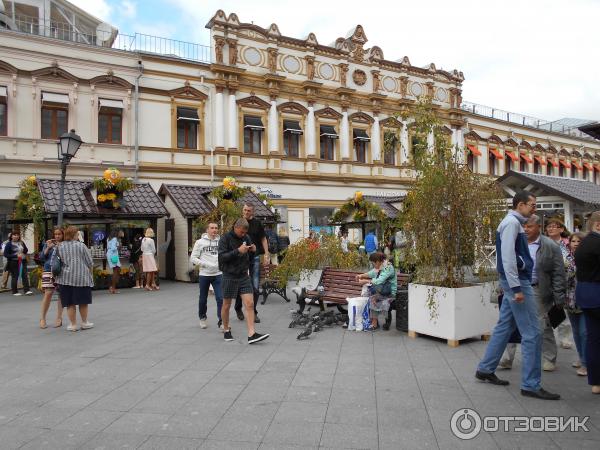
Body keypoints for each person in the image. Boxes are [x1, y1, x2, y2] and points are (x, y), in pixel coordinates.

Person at [475, 190, 560, 400]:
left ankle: (485, 368)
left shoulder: (512, 222)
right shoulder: (512, 224)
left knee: (505, 327)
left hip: (515, 282)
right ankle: (530, 384)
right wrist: (516, 288)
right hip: (518, 283)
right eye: (532, 204)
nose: (535, 208)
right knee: (533, 332)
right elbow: (507, 259)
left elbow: (508, 258)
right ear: (520, 204)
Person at [498, 214, 566, 372]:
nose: (526, 229)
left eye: (529, 226)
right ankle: (508, 358)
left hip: (538, 289)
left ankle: (549, 357)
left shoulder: (549, 245)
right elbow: (504, 263)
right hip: (515, 286)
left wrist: (558, 297)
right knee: (509, 322)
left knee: (542, 324)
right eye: (524, 227)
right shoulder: (515, 241)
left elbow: (558, 273)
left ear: (538, 227)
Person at [218, 218, 269, 344]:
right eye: (241, 232)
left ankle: (251, 334)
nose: (243, 235)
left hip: (243, 276)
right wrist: (238, 251)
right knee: (226, 305)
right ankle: (226, 329)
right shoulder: (225, 238)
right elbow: (222, 257)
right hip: (229, 275)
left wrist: (253, 251)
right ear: (235, 227)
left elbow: (249, 257)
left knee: (250, 304)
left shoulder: (246, 237)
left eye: (245, 233)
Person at [574, 211, 600, 394]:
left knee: (593, 339)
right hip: (598, 293)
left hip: (585, 294)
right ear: (597, 225)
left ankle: (596, 382)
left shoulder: (583, 244)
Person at [54, 225, 94, 332]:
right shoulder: (81, 246)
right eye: (77, 234)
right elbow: (90, 262)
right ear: (75, 234)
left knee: (70, 303)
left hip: (65, 278)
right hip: (81, 278)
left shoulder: (60, 246)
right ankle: (84, 322)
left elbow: (57, 262)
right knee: (83, 302)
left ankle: (73, 324)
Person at [234, 204, 269, 323]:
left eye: (248, 210)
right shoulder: (237, 222)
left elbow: (263, 239)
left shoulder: (257, 223)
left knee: (254, 286)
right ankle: (238, 308)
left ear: (252, 212)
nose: (246, 212)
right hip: (240, 258)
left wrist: (267, 253)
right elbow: (232, 238)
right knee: (240, 284)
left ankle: (253, 312)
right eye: (244, 210)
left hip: (254, 257)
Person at [545, 218, 573, 349]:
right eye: (549, 227)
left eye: (554, 226)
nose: (551, 229)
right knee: (546, 312)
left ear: (561, 229)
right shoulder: (543, 243)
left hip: (565, 281)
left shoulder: (568, 244)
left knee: (563, 310)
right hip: (546, 281)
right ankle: (548, 339)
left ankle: (565, 338)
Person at [190, 222, 223, 330]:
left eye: (216, 228)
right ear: (207, 230)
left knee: (220, 298)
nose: (214, 230)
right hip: (204, 274)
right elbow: (193, 258)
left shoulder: (221, 241)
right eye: (212, 228)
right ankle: (202, 318)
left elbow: (224, 254)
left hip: (218, 274)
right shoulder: (200, 242)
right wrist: (204, 264)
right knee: (203, 299)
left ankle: (221, 321)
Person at [356, 252, 397, 330]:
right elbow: (371, 273)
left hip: (390, 293)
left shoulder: (388, 267)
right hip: (382, 291)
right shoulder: (381, 266)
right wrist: (361, 275)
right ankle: (374, 322)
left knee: (374, 298)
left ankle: (378, 323)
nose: (373, 265)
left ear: (378, 261)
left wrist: (365, 281)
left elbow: (379, 281)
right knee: (370, 297)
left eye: (373, 263)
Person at [565, 232, 587, 377]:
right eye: (574, 241)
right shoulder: (566, 259)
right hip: (570, 299)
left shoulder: (588, 258)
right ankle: (581, 357)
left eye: (579, 241)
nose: (576, 243)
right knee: (576, 332)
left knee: (584, 332)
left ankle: (586, 363)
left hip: (585, 299)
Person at [39, 227, 65, 329]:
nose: (57, 236)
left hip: (60, 271)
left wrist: (60, 247)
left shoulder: (65, 244)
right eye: (56, 234)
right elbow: (41, 257)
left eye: (59, 234)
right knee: (48, 293)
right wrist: (48, 248)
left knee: (60, 294)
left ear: (63, 235)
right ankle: (42, 318)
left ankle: (59, 318)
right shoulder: (48, 243)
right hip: (48, 269)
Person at [3, 230, 33, 296]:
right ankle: (15, 291)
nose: (16, 236)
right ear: (11, 236)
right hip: (13, 262)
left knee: (24, 275)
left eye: (17, 235)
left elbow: (26, 250)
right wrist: (15, 255)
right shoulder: (9, 244)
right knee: (15, 276)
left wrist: (23, 252)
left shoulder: (21, 242)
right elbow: (6, 254)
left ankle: (27, 290)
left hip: (23, 261)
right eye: (14, 235)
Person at [106, 230, 121, 294]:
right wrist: (119, 246)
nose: (120, 233)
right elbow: (113, 248)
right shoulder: (115, 238)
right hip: (113, 255)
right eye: (119, 232)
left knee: (117, 270)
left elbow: (109, 247)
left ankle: (111, 287)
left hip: (110, 254)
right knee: (116, 271)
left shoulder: (109, 238)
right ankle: (113, 288)